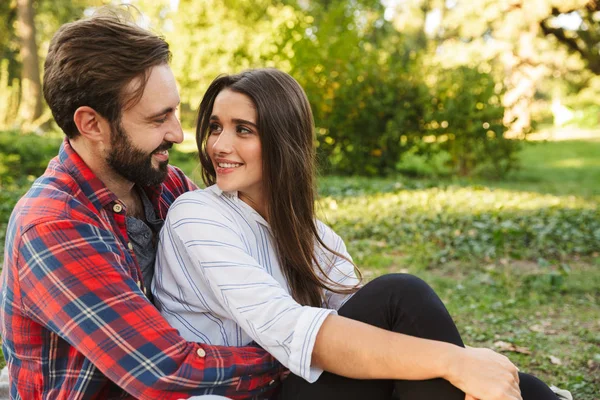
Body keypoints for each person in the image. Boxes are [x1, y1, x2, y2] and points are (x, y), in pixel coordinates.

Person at [153, 68, 561, 400]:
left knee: (524, 387)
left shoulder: (316, 237)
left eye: (243, 130)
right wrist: (457, 361)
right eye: (215, 127)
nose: (218, 145)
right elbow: (293, 331)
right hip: (247, 393)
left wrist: (467, 365)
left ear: (284, 139)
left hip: (301, 387)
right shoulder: (198, 215)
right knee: (403, 296)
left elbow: (377, 338)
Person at [0, 11, 284, 400]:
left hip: (205, 386)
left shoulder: (165, 186)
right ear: (92, 124)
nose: (179, 134)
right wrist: (295, 356)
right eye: (158, 119)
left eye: (176, 110)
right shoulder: (53, 224)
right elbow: (163, 373)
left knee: (390, 299)